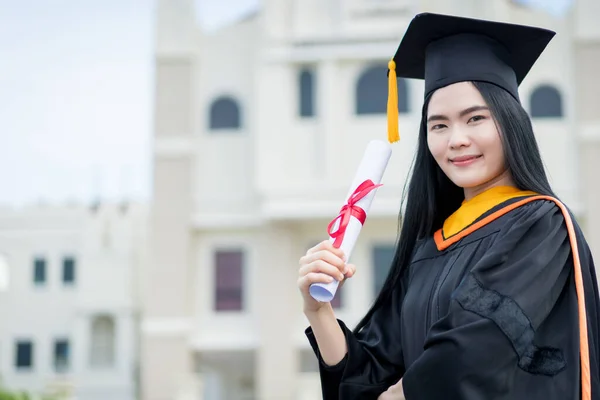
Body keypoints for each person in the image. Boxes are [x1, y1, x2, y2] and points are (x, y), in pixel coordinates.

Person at [297, 12, 600, 400]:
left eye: (475, 118)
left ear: (511, 123)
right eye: (438, 125)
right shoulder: (428, 247)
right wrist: (318, 310)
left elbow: (474, 348)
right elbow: (370, 373)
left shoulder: (540, 224)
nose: (456, 139)